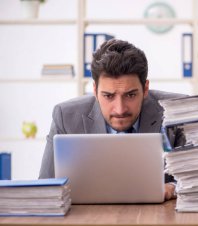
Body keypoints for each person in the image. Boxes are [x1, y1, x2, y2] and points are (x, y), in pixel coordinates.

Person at [39, 39, 185, 200]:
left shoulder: (178, 111)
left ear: (145, 89)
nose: (120, 109)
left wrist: (172, 187)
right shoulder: (65, 116)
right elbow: (46, 185)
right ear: (94, 90)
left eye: (130, 95)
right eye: (108, 96)